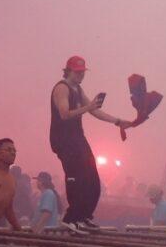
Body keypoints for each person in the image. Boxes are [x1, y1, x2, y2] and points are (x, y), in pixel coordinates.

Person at [49, 55, 131, 234]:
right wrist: (88, 107)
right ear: (68, 70)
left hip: (77, 137)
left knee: (92, 177)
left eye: (82, 72)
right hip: (64, 139)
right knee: (77, 176)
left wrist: (118, 121)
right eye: (77, 72)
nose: (80, 75)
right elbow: (64, 114)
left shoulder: (77, 89)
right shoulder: (62, 89)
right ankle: (71, 218)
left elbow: (94, 110)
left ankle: (84, 215)